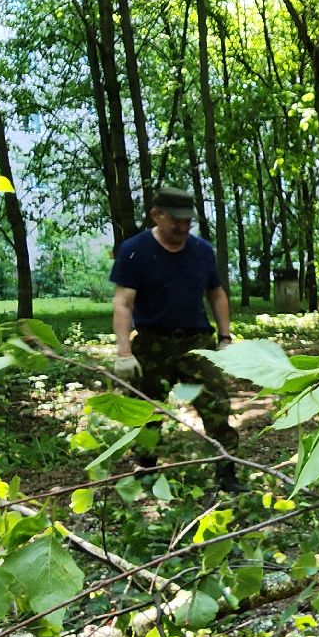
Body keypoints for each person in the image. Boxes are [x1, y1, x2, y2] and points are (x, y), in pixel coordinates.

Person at [110, 187, 245, 493]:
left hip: (196, 342)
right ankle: (145, 471)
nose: (183, 227)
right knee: (146, 410)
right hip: (151, 343)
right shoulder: (135, 251)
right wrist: (123, 351)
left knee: (216, 406)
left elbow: (217, 293)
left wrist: (224, 337)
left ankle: (227, 473)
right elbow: (123, 303)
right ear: (157, 215)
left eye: (188, 221)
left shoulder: (201, 251)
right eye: (176, 221)